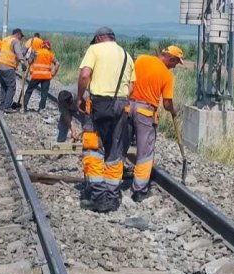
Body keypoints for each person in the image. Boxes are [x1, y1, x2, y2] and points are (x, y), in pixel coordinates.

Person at [76, 26, 135, 212]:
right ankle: (112, 194)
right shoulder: (126, 55)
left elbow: (85, 74)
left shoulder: (95, 49)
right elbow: (132, 86)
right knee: (114, 150)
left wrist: (79, 96)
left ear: (99, 38)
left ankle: (99, 196)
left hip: (99, 103)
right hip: (122, 105)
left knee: (94, 147)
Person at [127, 45, 184, 202]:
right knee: (145, 153)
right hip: (145, 112)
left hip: (127, 105)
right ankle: (140, 190)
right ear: (170, 58)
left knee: (120, 145)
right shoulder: (167, 76)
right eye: (175, 63)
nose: (175, 66)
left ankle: (111, 182)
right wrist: (174, 110)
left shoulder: (141, 59)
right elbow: (166, 103)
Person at [0, 28, 27, 114]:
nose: (21, 38)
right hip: (8, 66)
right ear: (18, 34)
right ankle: (7, 106)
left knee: (4, 86)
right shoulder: (15, 41)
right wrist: (23, 62)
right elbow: (18, 53)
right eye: (21, 36)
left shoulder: (6, 39)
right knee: (11, 86)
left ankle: (2, 105)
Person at [23, 40, 60, 112]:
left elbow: (30, 61)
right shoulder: (50, 54)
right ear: (49, 47)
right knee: (44, 93)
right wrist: (53, 73)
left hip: (36, 75)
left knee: (29, 90)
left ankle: (24, 106)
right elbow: (57, 64)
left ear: (42, 45)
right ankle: (41, 108)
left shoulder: (36, 52)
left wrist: (31, 61)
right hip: (46, 77)